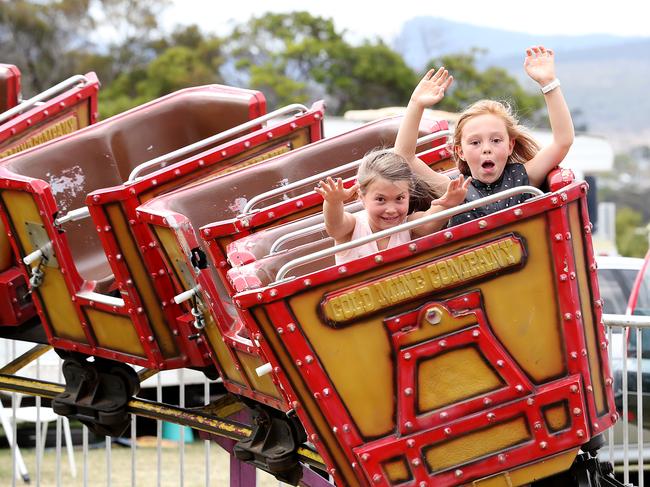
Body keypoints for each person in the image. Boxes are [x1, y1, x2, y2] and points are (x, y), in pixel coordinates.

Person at [394, 45, 575, 226]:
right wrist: (416, 104)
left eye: (496, 141)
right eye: (475, 142)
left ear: (510, 145)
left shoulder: (523, 177)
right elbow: (404, 157)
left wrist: (549, 83)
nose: (487, 149)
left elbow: (562, 141)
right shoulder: (454, 188)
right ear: (460, 151)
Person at [314, 149, 470, 264]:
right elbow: (335, 226)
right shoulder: (353, 226)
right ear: (362, 197)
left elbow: (429, 221)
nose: (391, 209)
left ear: (409, 195)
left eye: (399, 198)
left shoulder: (409, 225)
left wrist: (449, 204)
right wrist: (333, 202)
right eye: (381, 199)